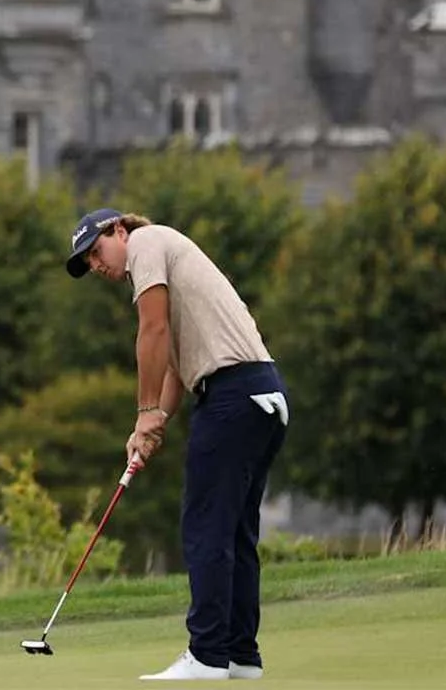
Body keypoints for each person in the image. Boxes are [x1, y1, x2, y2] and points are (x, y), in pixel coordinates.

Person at [65, 208, 290, 683]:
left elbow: (152, 331)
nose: (96, 265)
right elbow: (173, 366)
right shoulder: (166, 255)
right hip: (262, 395)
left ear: (119, 230)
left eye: (97, 251)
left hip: (231, 397)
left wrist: (145, 411)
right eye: (88, 263)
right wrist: (154, 424)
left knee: (205, 526)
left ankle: (206, 655)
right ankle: (239, 655)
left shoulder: (146, 244)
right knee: (233, 531)